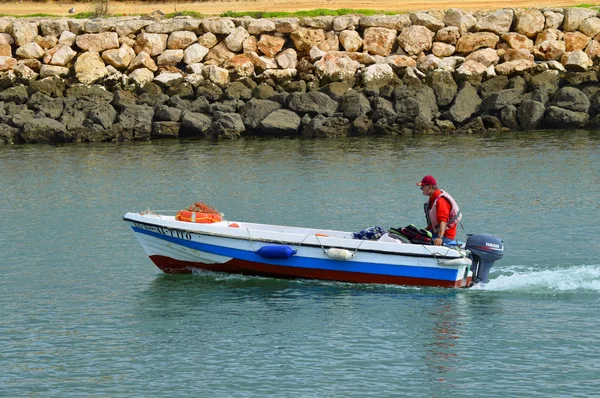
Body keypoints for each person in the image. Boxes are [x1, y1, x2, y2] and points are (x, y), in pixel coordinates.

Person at [417, 175, 462, 246]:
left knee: (420, 242)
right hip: (435, 232)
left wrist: (440, 238)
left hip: (445, 236)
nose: (421, 189)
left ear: (430, 187)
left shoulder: (441, 201)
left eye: (423, 186)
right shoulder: (432, 198)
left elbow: (443, 220)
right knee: (415, 236)